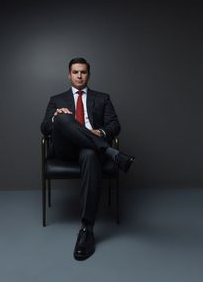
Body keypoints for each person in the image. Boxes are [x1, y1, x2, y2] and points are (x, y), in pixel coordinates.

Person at [41, 57, 135, 261]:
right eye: (75, 72)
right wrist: (57, 118)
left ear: (88, 75)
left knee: (91, 153)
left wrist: (99, 132)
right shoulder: (56, 99)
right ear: (69, 75)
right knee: (64, 118)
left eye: (83, 72)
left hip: (89, 150)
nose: (79, 75)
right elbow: (44, 128)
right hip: (65, 150)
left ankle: (86, 230)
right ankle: (112, 153)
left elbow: (114, 125)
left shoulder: (102, 98)